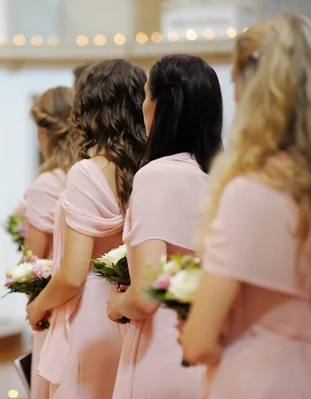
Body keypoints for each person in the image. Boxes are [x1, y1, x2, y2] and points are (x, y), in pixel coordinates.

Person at [181, 13, 311, 398]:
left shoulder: (253, 192)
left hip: (257, 380)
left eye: (235, 83)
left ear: (252, 91)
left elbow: (199, 342)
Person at [28, 59, 148, 398]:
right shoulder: (150, 171)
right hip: (130, 311)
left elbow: (72, 274)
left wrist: (38, 306)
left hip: (88, 315)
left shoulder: (87, 173)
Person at [107, 55, 223, 399]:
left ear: (162, 104)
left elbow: (145, 297)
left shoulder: (157, 176)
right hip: (213, 343)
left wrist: (117, 305)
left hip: (164, 348)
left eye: (146, 95)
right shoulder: (222, 179)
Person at [23, 86, 74, 399]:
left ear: (44, 133)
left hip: (53, 302)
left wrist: (32, 306)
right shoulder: (96, 173)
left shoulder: (47, 183)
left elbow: (34, 263)